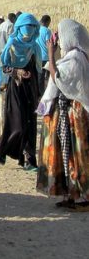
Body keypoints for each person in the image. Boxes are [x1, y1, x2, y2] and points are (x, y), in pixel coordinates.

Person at [37, 19, 89, 209]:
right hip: (69, 114)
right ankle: (72, 194)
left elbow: (57, 78)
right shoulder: (76, 56)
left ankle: (82, 196)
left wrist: (51, 54)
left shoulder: (76, 58)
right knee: (69, 155)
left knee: (77, 155)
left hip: (75, 114)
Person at [0, 13, 41, 170]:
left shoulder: (35, 46)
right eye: (27, 27)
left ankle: (30, 160)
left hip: (31, 89)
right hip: (16, 88)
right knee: (17, 124)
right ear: (19, 28)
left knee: (30, 124)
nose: (29, 30)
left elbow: (38, 70)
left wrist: (40, 92)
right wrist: (17, 72)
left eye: (33, 27)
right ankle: (1, 150)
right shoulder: (12, 43)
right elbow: (3, 66)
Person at [36, 15, 52, 95]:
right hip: (46, 57)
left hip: (37, 56)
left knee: (39, 76)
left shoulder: (37, 30)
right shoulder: (47, 31)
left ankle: (39, 92)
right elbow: (48, 43)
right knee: (49, 77)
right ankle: (44, 94)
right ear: (47, 22)